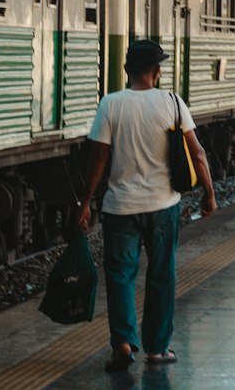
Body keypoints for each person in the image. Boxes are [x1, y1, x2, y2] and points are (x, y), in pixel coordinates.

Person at [77, 39, 216, 372]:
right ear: (157, 71)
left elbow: (99, 158)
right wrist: (209, 192)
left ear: (126, 71)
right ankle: (157, 348)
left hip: (120, 206)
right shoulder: (172, 102)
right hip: (162, 204)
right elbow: (197, 152)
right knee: (160, 274)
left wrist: (85, 203)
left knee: (120, 275)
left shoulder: (110, 104)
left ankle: (123, 343)